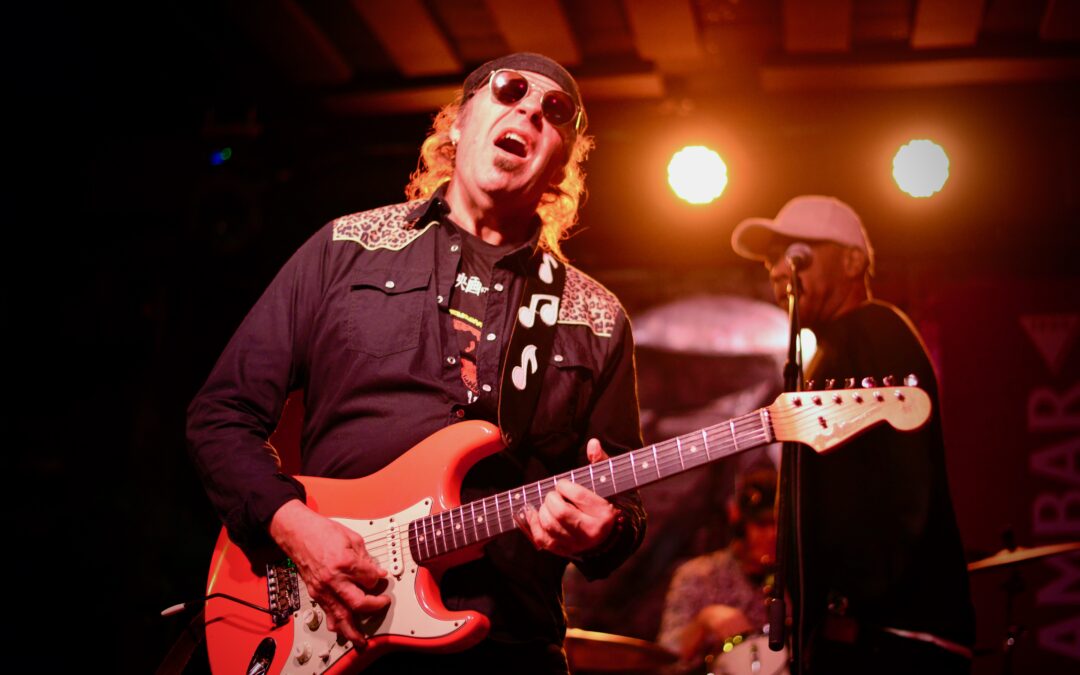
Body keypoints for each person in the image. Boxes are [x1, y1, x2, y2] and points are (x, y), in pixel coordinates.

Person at [186, 52, 646, 674]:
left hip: (507, 649)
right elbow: (221, 415)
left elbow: (623, 505)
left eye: (555, 113)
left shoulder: (595, 314)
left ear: (560, 164)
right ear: (456, 125)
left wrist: (607, 530)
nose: (531, 110)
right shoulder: (344, 248)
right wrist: (295, 527)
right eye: (510, 91)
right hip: (335, 624)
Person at [730, 195, 975, 674]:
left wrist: (849, 602)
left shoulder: (875, 330)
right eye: (769, 261)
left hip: (893, 636)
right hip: (865, 633)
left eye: (793, 254)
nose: (778, 270)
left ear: (852, 260)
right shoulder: (830, 350)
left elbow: (905, 483)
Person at [658, 466, 781, 672]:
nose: (773, 535)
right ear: (739, 522)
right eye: (762, 524)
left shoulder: (797, 581)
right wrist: (703, 620)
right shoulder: (698, 575)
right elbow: (665, 657)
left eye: (779, 525)